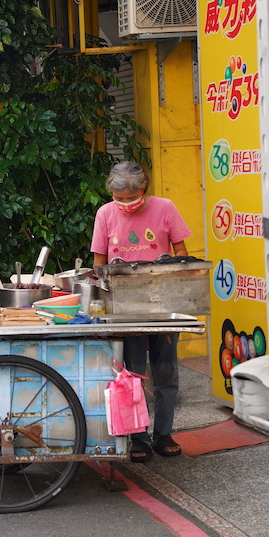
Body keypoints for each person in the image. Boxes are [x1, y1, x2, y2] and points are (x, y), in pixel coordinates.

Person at [91, 161, 192, 463]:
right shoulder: (105, 214)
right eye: (118, 198)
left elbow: (182, 253)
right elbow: (99, 262)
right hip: (124, 306)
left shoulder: (165, 207)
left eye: (130, 198)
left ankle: (164, 433)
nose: (124, 204)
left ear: (143, 190)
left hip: (163, 303)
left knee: (166, 371)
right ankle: (137, 437)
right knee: (131, 373)